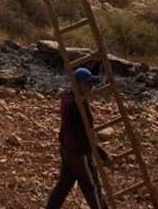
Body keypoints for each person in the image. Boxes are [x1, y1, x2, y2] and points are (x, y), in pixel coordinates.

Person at [46, 67, 110, 209]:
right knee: (91, 186)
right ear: (77, 84)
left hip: (67, 148)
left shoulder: (68, 96)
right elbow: (82, 135)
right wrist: (100, 153)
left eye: (91, 84)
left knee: (64, 184)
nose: (91, 87)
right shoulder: (77, 105)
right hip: (78, 152)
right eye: (87, 84)